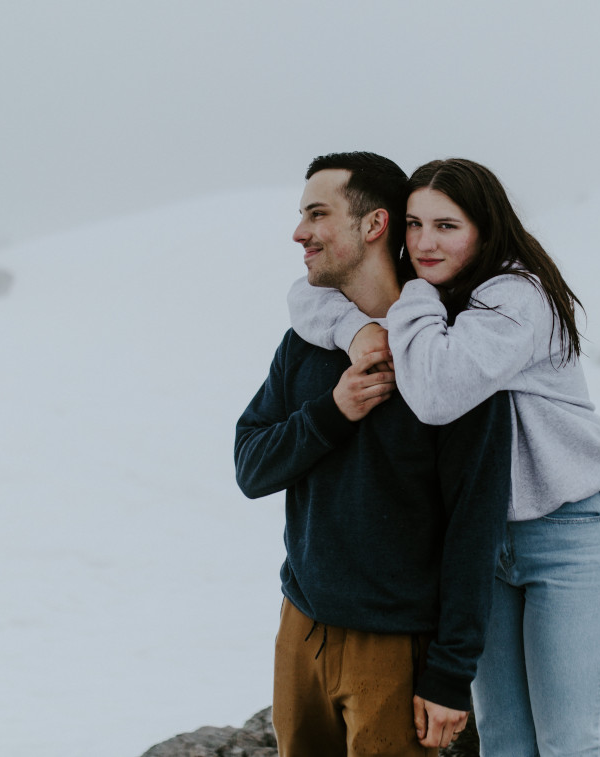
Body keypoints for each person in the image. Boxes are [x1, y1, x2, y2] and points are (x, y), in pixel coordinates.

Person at [288, 157, 600, 757]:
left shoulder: (515, 296)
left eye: (446, 226)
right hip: (489, 545)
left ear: (484, 228)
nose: (425, 243)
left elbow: (436, 395)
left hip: (577, 531)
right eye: (414, 224)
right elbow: (307, 296)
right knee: (504, 741)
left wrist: (414, 295)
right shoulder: (440, 292)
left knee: (570, 744)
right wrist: (356, 331)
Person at [236, 152, 513, 757]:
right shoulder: (306, 342)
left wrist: (450, 673)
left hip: (396, 647)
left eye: (317, 214)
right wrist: (332, 412)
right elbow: (251, 468)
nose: (299, 232)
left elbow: (476, 523)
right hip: (301, 628)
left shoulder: (451, 357)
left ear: (373, 225)